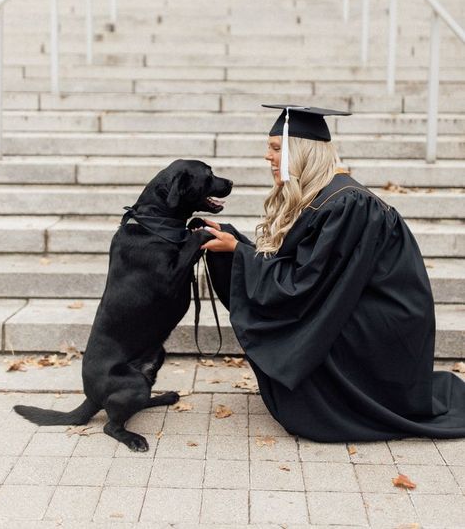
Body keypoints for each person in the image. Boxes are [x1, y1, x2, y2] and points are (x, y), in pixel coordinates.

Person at [199, 104, 465, 442]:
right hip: (364, 306)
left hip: (385, 321)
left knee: (311, 324)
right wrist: (236, 242)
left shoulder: (347, 203)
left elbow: (305, 283)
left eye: (276, 148)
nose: (267, 156)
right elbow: (309, 271)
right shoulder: (327, 196)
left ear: (302, 152)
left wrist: (238, 253)